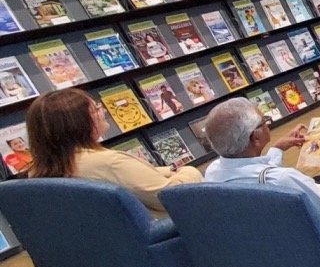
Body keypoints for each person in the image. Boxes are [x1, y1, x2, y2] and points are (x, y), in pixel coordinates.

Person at [23, 89, 202, 217]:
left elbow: (130, 181)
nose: (104, 112)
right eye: (96, 109)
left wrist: (165, 170)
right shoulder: (110, 163)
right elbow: (169, 196)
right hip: (157, 239)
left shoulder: (40, 170)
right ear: (80, 123)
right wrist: (189, 171)